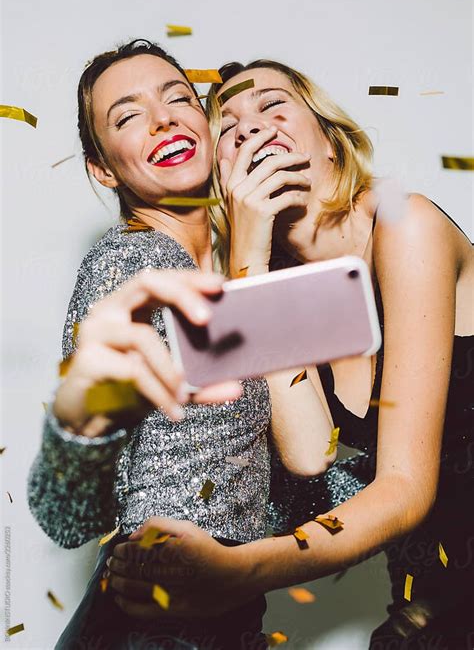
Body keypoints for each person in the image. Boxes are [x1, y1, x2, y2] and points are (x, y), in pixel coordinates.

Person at [111, 59, 474, 649]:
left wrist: (242, 571)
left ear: (330, 141)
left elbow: (405, 485)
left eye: (273, 106)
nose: (250, 128)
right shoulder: (286, 295)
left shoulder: (406, 224)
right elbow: (310, 456)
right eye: (226, 127)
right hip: (427, 597)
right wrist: (249, 252)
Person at [27, 42, 337, 650]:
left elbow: (308, 457)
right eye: (127, 115)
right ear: (103, 169)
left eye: (177, 97)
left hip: (227, 621)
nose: (164, 117)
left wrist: (250, 257)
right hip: (150, 630)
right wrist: (76, 422)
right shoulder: (128, 267)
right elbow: (68, 519)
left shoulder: (234, 271)